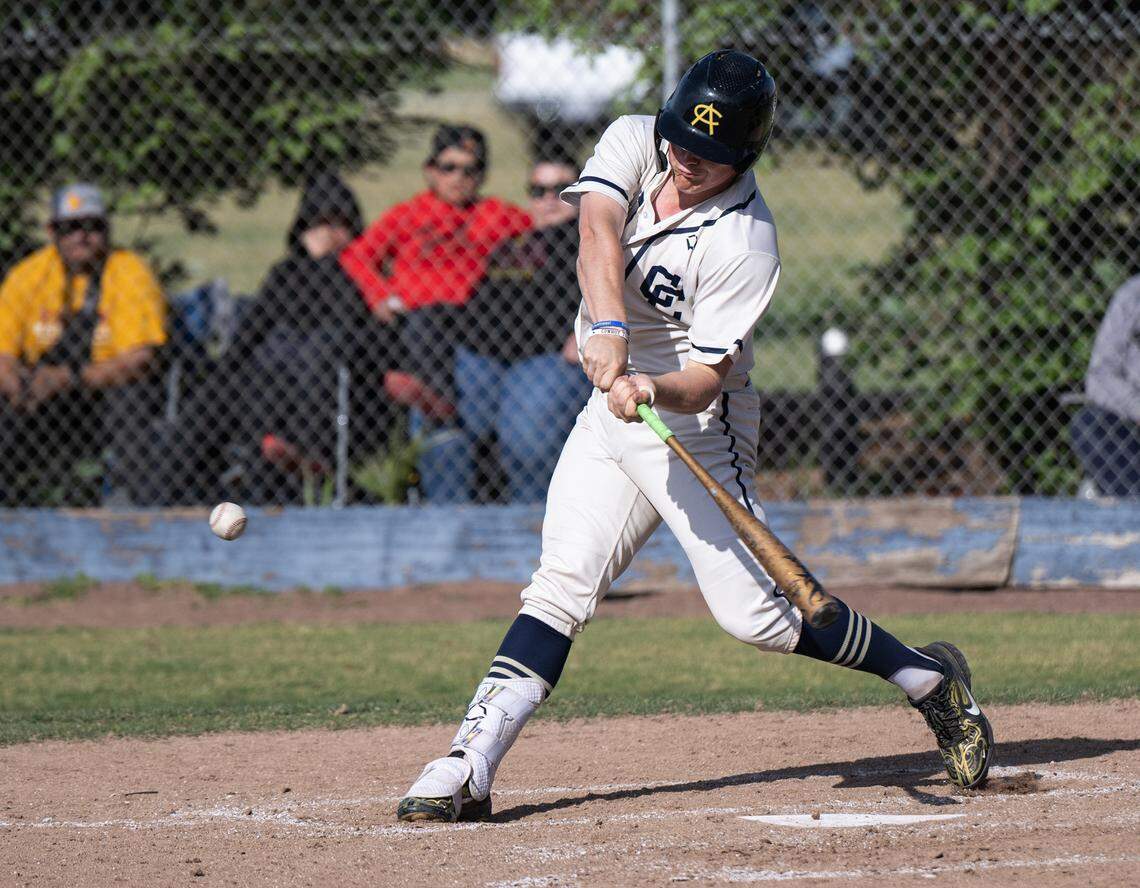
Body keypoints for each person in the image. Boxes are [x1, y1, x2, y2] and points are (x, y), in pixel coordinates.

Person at [395, 50, 994, 824]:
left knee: (758, 618)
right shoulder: (637, 140)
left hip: (692, 426)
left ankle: (928, 680)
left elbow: (709, 377)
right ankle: (469, 762)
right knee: (560, 585)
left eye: (707, 157)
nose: (684, 160)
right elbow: (598, 227)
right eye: (680, 141)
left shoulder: (746, 240)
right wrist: (609, 331)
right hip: (609, 409)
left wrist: (650, 384)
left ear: (744, 156)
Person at [340, 124, 531, 502]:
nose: (459, 178)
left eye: (470, 169)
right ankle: (436, 400)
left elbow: (537, 242)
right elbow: (357, 257)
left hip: (470, 318)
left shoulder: (497, 215)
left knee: (442, 324)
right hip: (414, 319)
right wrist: (380, 294)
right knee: (420, 324)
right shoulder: (408, 215)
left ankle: (433, 399)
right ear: (430, 170)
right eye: (449, 167)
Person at [184, 172, 395, 504]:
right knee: (221, 392)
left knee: (321, 347)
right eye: (319, 223)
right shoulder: (285, 274)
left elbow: (348, 320)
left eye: (339, 224)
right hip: (270, 386)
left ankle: (299, 461)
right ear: (303, 229)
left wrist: (327, 263)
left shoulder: (364, 275)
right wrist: (221, 376)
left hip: (335, 399)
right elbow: (249, 335)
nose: (329, 233)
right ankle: (168, 487)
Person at [0, 183, 166, 504]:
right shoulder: (28, 276)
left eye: (93, 226)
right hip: (42, 401)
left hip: (104, 397)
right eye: (70, 228)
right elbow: (3, 351)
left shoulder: (130, 271)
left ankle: (143, 512)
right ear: (52, 231)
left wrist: (68, 379)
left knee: (132, 398)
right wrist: (17, 384)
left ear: (107, 229)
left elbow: (140, 358)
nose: (82, 236)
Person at [441, 156, 591, 502]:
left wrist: (588, 324)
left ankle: (532, 525)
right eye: (539, 190)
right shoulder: (514, 242)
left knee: (527, 436)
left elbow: (619, 286)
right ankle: (450, 523)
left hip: (547, 355)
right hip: (481, 353)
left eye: (561, 190)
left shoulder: (590, 238)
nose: (549, 199)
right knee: (443, 431)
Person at [1071, 275, 1140, 496]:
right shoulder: (1132, 297)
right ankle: (1130, 509)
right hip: (1133, 425)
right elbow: (1099, 377)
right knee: (1088, 425)